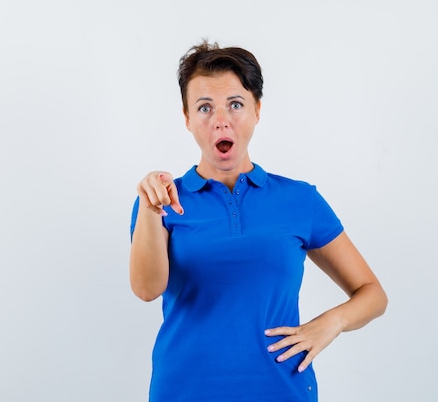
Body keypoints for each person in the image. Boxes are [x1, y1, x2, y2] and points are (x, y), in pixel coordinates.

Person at [129, 41, 387, 402]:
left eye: (235, 104)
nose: (221, 119)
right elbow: (146, 289)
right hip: (184, 391)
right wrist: (149, 207)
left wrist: (329, 324)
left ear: (257, 110)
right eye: (205, 107)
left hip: (283, 390)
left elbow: (372, 293)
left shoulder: (299, 199)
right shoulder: (161, 200)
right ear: (187, 118)